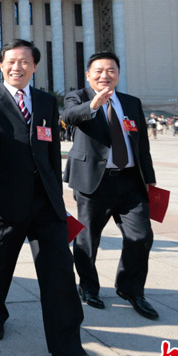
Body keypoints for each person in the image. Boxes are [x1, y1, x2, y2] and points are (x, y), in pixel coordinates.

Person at [0, 39, 108, 356]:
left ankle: (67, 345)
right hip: (2, 201)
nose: (17, 67)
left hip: (45, 203)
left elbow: (49, 149)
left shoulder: (45, 101)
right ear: (1, 66)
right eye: (11, 62)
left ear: (34, 66)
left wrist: (59, 200)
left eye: (24, 62)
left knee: (59, 272)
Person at [62, 52, 159, 320]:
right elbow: (69, 117)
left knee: (141, 236)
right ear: (88, 74)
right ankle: (88, 287)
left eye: (111, 70)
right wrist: (93, 104)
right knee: (88, 238)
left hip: (130, 181)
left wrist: (149, 177)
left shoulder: (130, 102)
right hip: (94, 181)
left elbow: (142, 144)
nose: (105, 75)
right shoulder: (78, 97)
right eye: (99, 71)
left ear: (118, 73)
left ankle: (130, 289)